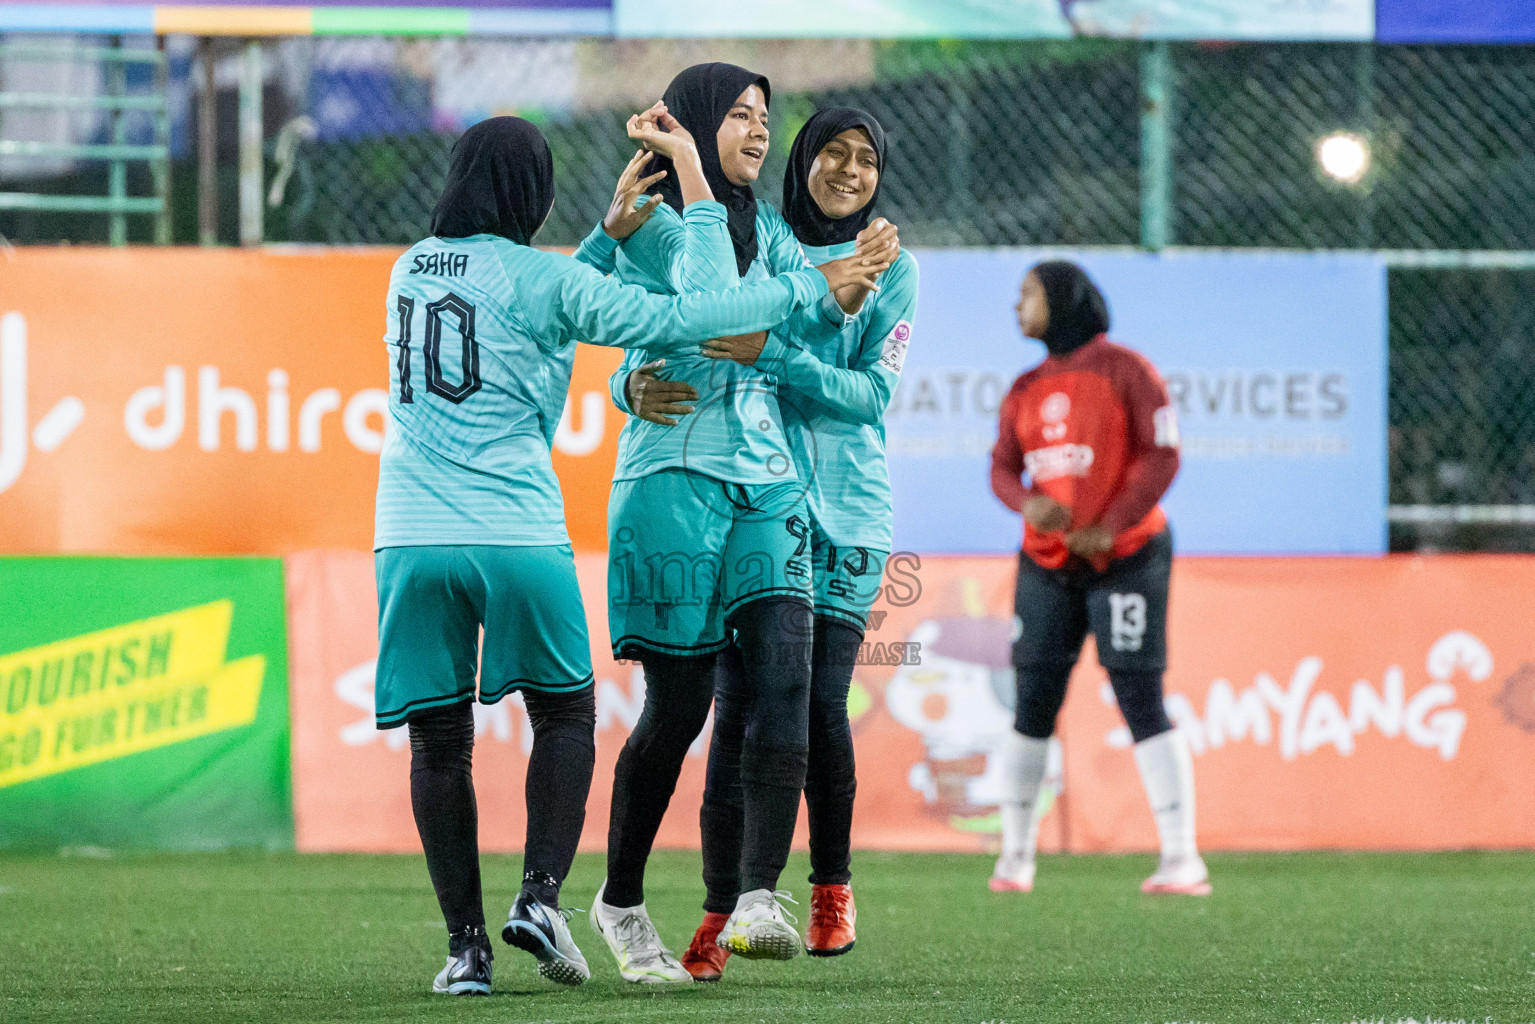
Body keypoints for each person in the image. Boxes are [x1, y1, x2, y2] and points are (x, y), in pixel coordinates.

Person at [374, 115, 883, 997]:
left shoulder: (408, 267)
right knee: (567, 716)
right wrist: (808, 290)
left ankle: (465, 952)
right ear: (529, 193)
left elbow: (521, 305)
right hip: (515, 530)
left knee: (438, 742)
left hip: (408, 530)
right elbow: (685, 316)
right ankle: (541, 897)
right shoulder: (544, 278)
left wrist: (604, 244)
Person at [573, 63, 898, 982]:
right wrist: (623, 381)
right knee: (677, 711)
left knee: (790, 684)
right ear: (696, 121)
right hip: (672, 474)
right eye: (740, 118)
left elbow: (785, 331)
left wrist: (824, 285)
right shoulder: (657, 217)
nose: (760, 133)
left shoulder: (781, 238)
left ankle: (759, 894)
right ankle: (620, 900)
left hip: (767, 481)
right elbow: (714, 299)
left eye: (765, 119)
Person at [659, 108, 917, 981]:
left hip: (847, 511)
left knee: (816, 704)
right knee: (735, 715)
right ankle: (720, 912)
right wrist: (630, 379)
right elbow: (694, 329)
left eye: (866, 159)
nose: (849, 170)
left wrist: (779, 355)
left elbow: (872, 396)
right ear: (801, 160)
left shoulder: (896, 268)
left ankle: (830, 887)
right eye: (832, 154)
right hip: (755, 499)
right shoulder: (761, 239)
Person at [987, 260, 1207, 897]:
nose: (1017, 305)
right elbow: (1001, 468)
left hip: (1128, 556)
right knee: (1032, 702)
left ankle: (1182, 859)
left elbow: (1162, 455)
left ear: (1062, 299)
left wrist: (1110, 525)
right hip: (1047, 563)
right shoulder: (1024, 387)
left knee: (1140, 697)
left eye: (1028, 293)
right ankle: (1016, 858)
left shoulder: (1128, 370)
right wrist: (1027, 504)